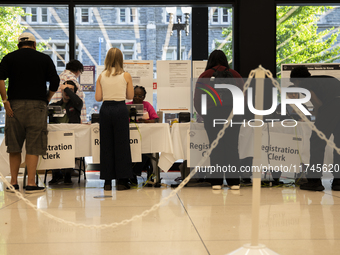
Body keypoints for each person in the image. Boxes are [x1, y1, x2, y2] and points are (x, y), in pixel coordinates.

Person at [0, 32, 60, 193]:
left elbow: (0, 78)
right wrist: (47, 98)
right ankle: (31, 184)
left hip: (14, 107)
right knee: (34, 146)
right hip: (37, 106)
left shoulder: (9, 58)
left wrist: (5, 101)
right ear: (34, 45)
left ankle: (13, 182)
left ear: (18, 45)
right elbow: (55, 81)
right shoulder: (44, 59)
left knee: (14, 146)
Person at [194, 49, 244, 190]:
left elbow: (198, 99)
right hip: (232, 115)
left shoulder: (205, 75)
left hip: (212, 115)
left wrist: (205, 115)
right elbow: (243, 96)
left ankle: (216, 181)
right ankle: (234, 182)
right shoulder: (235, 74)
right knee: (232, 147)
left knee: (215, 146)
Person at [290, 67, 340, 191]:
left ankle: (314, 180)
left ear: (297, 80)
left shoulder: (305, 84)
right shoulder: (325, 79)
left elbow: (318, 104)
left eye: (294, 83)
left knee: (317, 143)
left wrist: (316, 122)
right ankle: (338, 182)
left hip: (331, 107)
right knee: (338, 145)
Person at [95, 47, 134, 191]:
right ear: (121, 59)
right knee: (122, 145)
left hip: (105, 109)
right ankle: (122, 181)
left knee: (106, 145)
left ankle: (107, 182)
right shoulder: (126, 75)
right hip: (120, 109)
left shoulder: (101, 76)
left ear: (107, 59)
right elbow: (130, 96)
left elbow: (98, 98)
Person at [48, 80, 83, 184]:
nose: (67, 92)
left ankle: (68, 174)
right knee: (52, 145)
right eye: (65, 90)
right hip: (56, 136)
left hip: (71, 136)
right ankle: (56, 174)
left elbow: (78, 101)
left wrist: (66, 87)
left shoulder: (77, 105)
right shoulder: (55, 105)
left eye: (71, 90)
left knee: (69, 145)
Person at [50, 60, 87, 124]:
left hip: (56, 116)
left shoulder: (58, 77)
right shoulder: (72, 79)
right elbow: (77, 101)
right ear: (78, 71)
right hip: (70, 117)